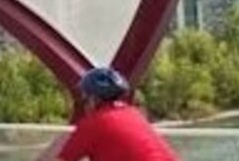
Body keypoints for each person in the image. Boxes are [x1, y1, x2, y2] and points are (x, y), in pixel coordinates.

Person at [36, 67, 178, 161]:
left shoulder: (94, 123)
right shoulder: (133, 114)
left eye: (84, 98)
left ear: (93, 99)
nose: (84, 104)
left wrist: (57, 145)